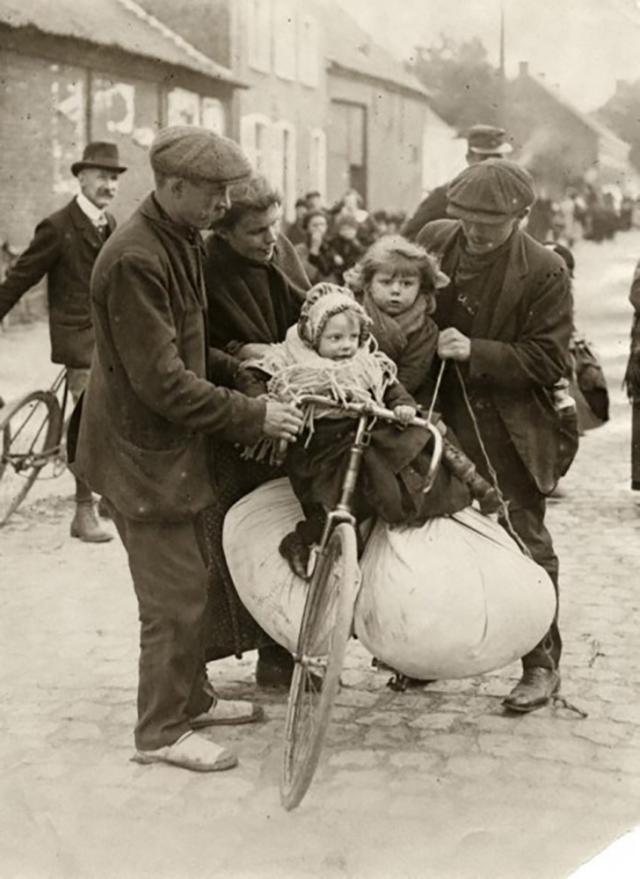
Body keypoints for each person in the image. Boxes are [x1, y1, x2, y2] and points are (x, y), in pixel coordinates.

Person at [69, 126, 304, 772]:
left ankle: (192, 695)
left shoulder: (180, 237)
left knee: (195, 576)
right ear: (173, 187)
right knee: (172, 597)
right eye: (215, 194)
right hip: (139, 455)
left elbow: (192, 348)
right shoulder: (136, 258)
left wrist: (242, 372)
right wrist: (253, 415)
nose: (225, 205)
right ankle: (160, 730)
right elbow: (164, 381)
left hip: (170, 449)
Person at [416, 158, 578, 713]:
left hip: (507, 427)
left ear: (522, 216)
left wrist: (477, 351)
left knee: (523, 540)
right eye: (466, 219)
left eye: (491, 223)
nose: (476, 232)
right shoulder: (436, 239)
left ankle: (541, 664)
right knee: (429, 534)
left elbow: (550, 358)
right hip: (436, 413)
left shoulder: (545, 270)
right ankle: (424, 656)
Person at [242, 283, 473, 578]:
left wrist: (402, 405)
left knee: (389, 472)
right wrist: (261, 398)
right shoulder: (293, 360)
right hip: (317, 443)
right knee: (326, 499)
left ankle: (421, 501)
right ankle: (301, 539)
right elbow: (254, 371)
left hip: (360, 436)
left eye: (353, 337)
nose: (346, 346)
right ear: (315, 337)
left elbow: (390, 385)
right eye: (335, 338)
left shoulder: (366, 363)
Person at [203, 175, 311, 688]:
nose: (271, 240)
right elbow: (191, 346)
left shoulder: (279, 252)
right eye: (256, 232)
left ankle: (281, 651)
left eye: (275, 226)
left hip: (284, 412)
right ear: (222, 232)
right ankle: (208, 657)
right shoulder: (203, 267)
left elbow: (307, 311)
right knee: (230, 535)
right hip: (233, 422)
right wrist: (238, 353)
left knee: (280, 530)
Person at [0, 142, 127, 542]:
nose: (109, 185)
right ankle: (82, 510)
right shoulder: (57, 226)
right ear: (81, 177)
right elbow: (21, 277)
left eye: (114, 178)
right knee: (89, 418)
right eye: (102, 176)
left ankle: (111, 494)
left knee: (127, 410)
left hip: (111, 337)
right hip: (77, 338)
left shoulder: (113, 225)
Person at [402, 124, 513, 241]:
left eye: (497, 157)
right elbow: (409, 237)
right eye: (485, 158)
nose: (491, 165)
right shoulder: (447, 195)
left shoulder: (509, 198)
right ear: (469, 158)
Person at [295, 210, 341, 284]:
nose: (319, 228)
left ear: (326, 227)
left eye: (322, 225)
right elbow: (307, 276)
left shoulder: (332, 246)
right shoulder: (300, 249)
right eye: (315, 225)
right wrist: (314, 248)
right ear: (306, 228)